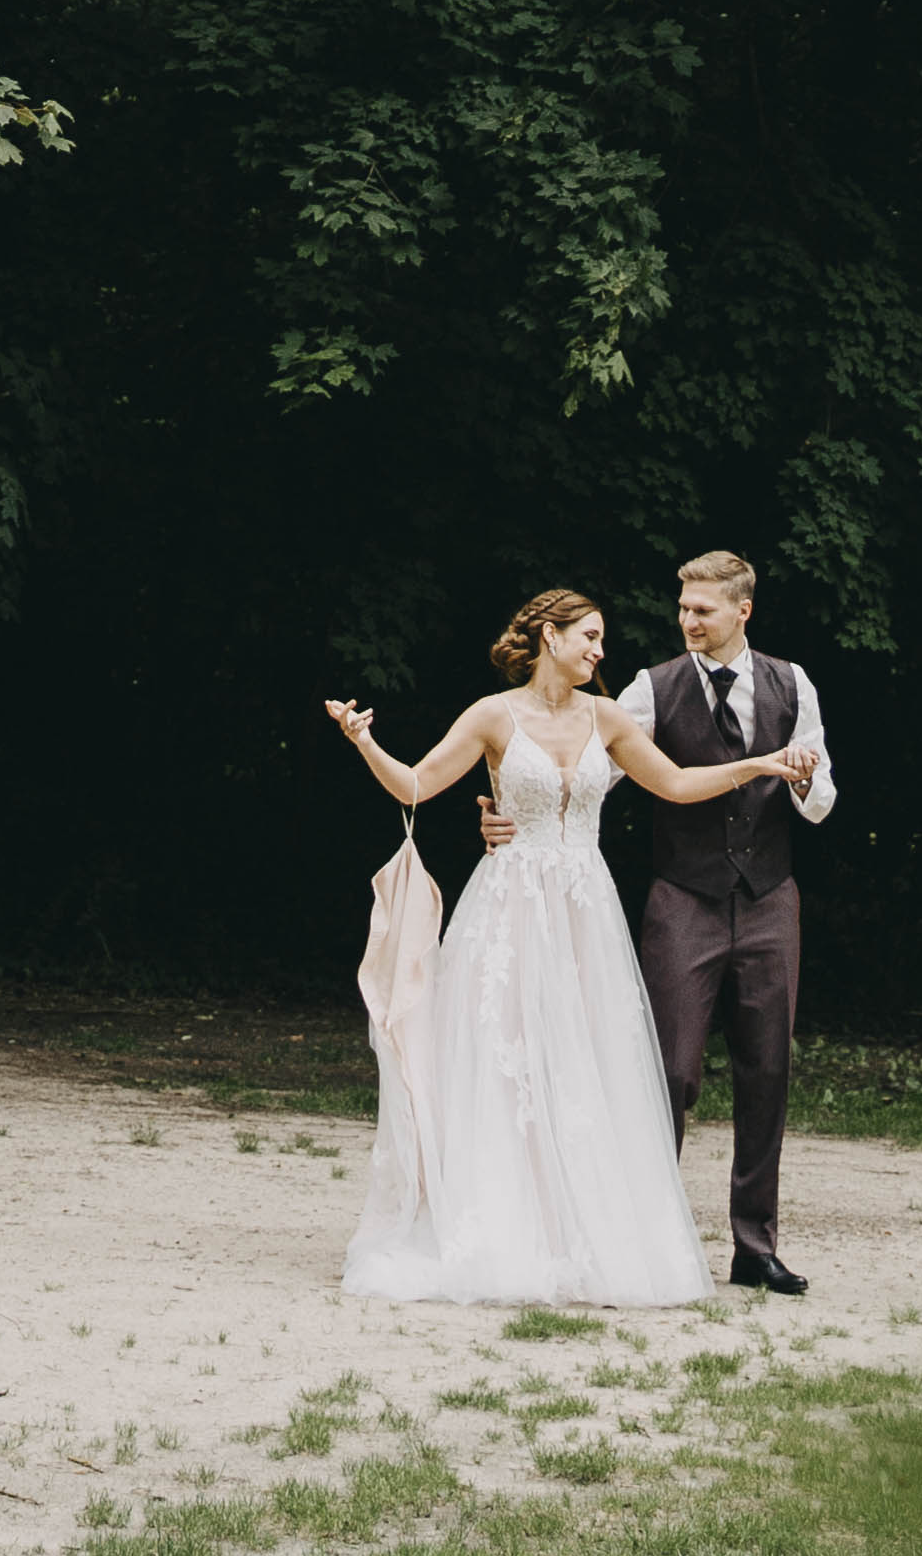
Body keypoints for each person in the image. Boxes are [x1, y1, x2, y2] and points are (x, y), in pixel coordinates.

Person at [324, 585, 820, 1304]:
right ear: (548, 636)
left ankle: (575, 1231)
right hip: (509, 911)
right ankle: (503, 1227)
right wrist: (362, 738)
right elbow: (416, 784)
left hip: (584, 912)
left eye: (600, 639)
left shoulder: (608, 715)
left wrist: (760, 764)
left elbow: (675, 783)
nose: (598, 649)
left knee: (583, 1066)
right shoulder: (493, 714)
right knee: (506, 1066)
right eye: (587, 636)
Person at [608, 549, 837, 1296]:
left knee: (767, 1071)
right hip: (683, 899)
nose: (687, 621)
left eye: (701, 609)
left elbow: (822, 793)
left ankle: (753, 1246)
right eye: (682, 607)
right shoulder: (651, 688)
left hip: (771, 899)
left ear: (742, 610)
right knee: (669, 1071)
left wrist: (805, 783)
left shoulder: (790, 681)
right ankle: (646, 1239)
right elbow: (594, 771)